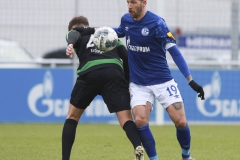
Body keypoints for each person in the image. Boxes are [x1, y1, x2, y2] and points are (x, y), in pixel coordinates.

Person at [111, 0, 205, 160]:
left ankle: (186, 156)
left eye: (133, 2)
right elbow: (117, 31)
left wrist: (190, 80)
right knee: (140, 120)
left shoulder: (158, 23)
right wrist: (92, 30)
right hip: (139, 84)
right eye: (128, 2)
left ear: (144, 2)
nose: (129, 6)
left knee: (181, 122)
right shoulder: (126, 20)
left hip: (163, 81)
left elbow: (175, 53)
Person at [62, 15, 144, 160]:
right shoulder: (108, 34)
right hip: (114, 73)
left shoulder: (77, 34)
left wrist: (70, 44)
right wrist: (127, 81)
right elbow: (125, 56)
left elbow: (73, 34)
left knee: (72, 117)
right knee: (126, 119)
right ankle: (137, 145)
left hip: (89, 73)